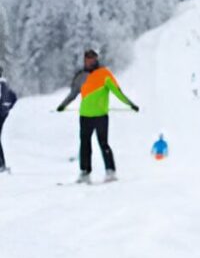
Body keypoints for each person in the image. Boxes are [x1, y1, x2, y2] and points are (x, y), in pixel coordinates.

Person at [56, 49, 139, 183]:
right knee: (85, 144)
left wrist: (130, 104)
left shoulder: (104, 74)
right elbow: (73, 94)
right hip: (85, 116)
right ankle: (85, 173)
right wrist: (62, 105)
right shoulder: (80, 76)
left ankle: (110, 172)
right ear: (84, 60)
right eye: (88, 59)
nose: (90, 62)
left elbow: (117, 92)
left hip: (101, 116)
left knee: (103, 143)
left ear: (96, 60)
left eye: (93, 59)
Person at [0, 66, 18, 173]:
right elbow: (14, 97)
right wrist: (7, 108)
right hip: (3, 114)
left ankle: (1, 165)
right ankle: (2, 164)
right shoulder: (4, 84)